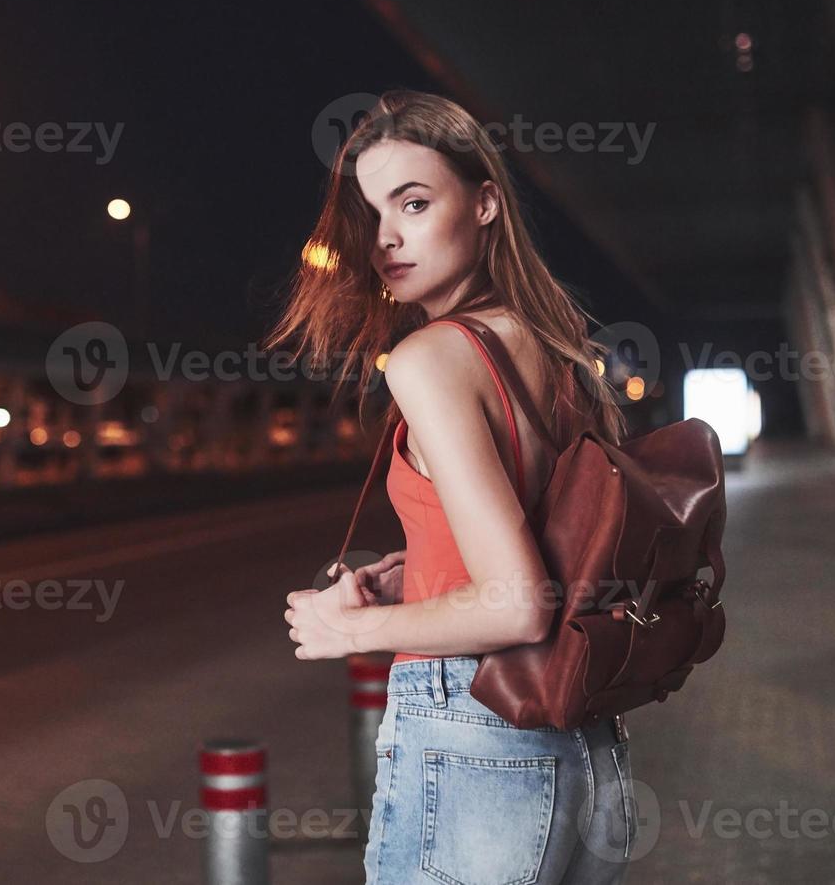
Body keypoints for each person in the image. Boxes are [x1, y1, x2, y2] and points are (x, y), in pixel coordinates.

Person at [271, 89, 637, 883]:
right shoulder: (553, 344)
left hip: (477, 730)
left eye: (413, 202)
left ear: (484, 204)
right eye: (369, 216)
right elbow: (555, 530)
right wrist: (416, 569)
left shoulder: (430, 359)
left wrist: (348, 632)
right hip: (582, 740)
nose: (386, 239)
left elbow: (517, 603)